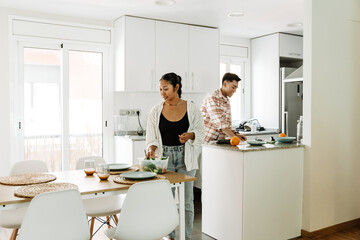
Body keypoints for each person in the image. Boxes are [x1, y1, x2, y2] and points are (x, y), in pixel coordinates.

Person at [146, 72, 205, 240]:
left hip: (187, 157)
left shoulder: (192, 108)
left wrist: (191, 135)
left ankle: (186, 236)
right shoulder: (156, 111)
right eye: (160, 89)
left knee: (187, 202)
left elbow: (201, 132)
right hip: (165, 159)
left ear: (176, 87)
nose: (162, 93)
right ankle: (170, 236)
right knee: (167, 200)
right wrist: (151, 148)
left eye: (166, 88)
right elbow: (151, 136)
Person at [201, 72, 247, 143]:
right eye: (233, 87)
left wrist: (236, 134)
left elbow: (227, 123)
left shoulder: (226, 100)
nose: (235, 91)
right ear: (225, 84)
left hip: (218, 142)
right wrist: (237, 139)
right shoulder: (212, 98)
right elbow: (221, 125)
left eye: (236, 88)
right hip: (206, 141)